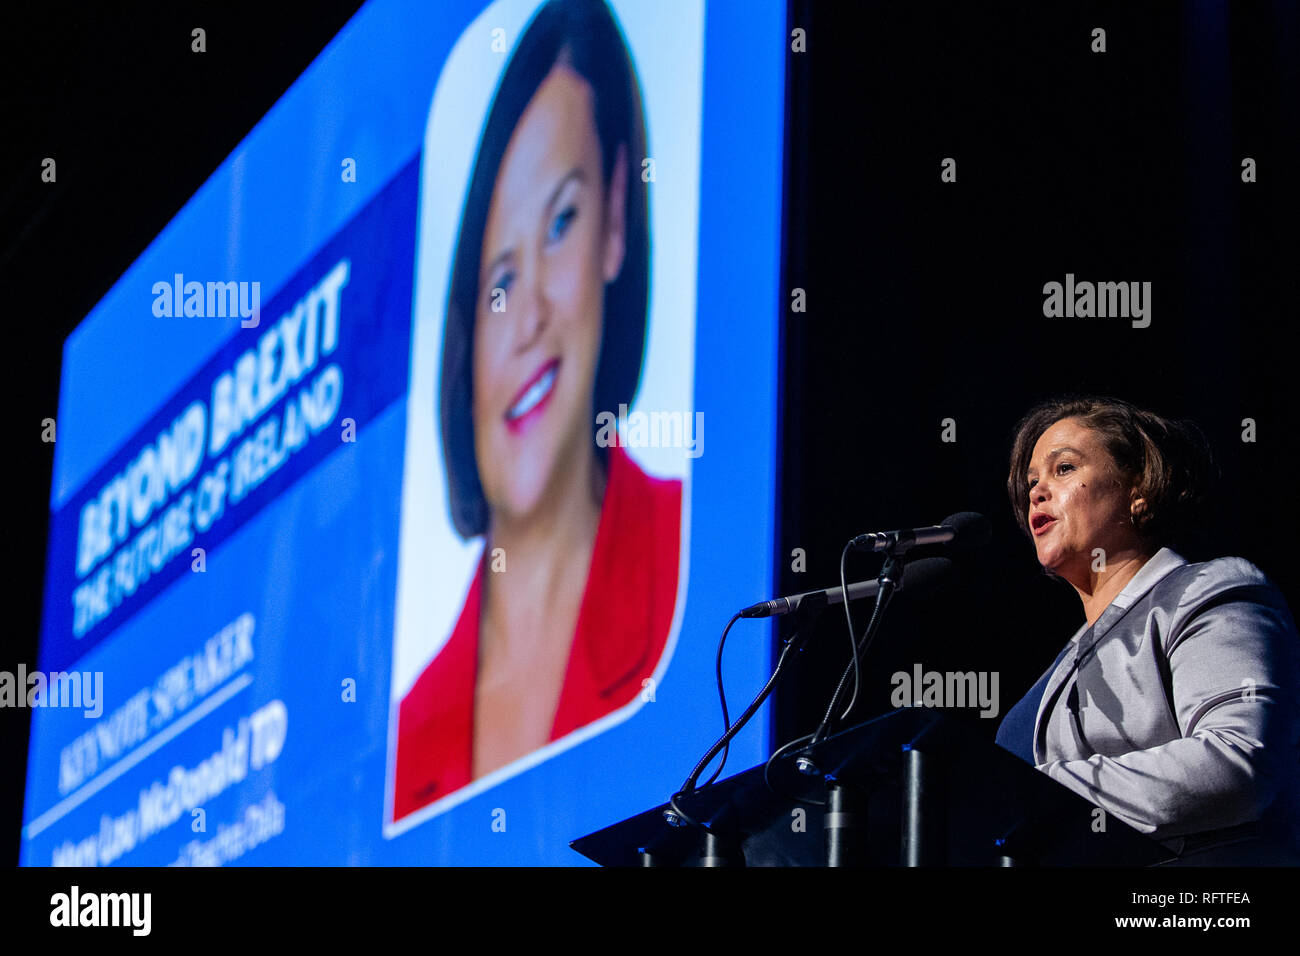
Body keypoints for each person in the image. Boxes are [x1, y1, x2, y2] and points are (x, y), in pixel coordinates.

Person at [393, 0, 681, 823]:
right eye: (497, 280)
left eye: (561, 222)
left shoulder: (703, 576)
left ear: (616, 218)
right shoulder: (406, 734)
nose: (525, 322)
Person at [995, 395, 1300, 864]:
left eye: (1064, 469)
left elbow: (1238, 762)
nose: (1035, 491)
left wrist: (1043, 794)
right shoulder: (1052, 677)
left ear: (1138, 490)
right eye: (1032, 481)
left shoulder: (1205, 591)